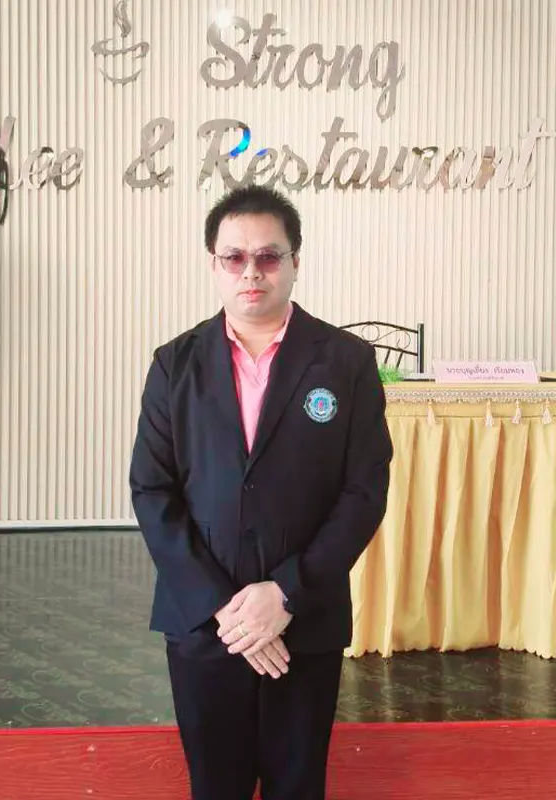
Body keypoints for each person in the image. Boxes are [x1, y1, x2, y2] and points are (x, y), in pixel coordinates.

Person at [129, 185, 393, 800]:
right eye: (234, 257)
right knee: (214, 786)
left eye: (269, 256)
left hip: (304, 622)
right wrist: (225, 610)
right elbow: (152, 488)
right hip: (206, 627)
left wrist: (286, 593)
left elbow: (364, 490)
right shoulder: (175, 364)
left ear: (295, 261)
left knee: (297, 786)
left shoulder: (347, 362)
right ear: (214, 265)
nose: (251, 272)